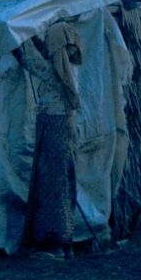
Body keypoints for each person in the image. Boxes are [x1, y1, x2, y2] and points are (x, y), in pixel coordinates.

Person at [19, 22, 83, 259]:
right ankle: (64, 242)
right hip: (62, 126)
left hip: (54, 126)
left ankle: (54, 241)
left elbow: (30, 60)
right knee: (62, 181)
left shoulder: (57, 71)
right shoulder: (69, 69)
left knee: (52, 183)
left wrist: (21, 33)